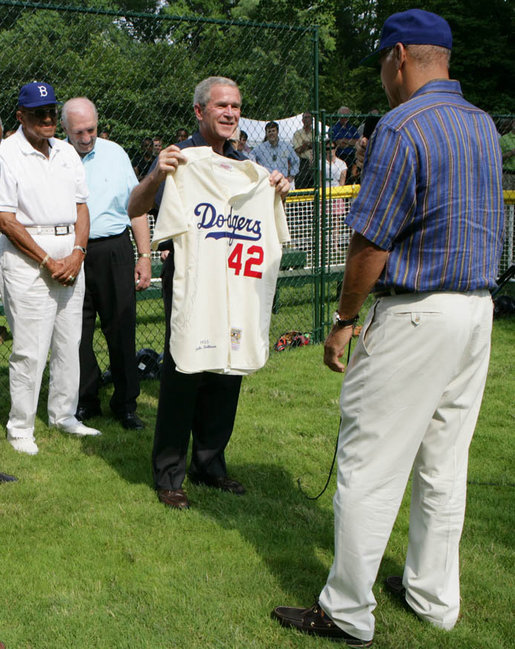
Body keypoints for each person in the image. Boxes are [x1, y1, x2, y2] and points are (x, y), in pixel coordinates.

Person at [272, 9, 504, 647]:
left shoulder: (403, 126)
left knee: (369, 465)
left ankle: (346, 611)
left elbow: (370, 240)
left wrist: (344, 320)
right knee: (443, 464)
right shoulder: (483, 124)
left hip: (416, 312)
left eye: (381, 61)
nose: (382, 74)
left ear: (399, 56)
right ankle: (434, 599)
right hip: (475, 311)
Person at [128, 76, 290, 510]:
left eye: (236, 106)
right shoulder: (180, 159)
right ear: (200, 111)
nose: (231, 113)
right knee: (184, 370)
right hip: (193, 282)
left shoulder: (246, 164)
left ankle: (210, 462)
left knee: (227, 370)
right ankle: (169, 473)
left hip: (237, 285)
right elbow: (135, 207)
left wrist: (276, 190)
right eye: (222, 106)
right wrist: (157, 174)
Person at [0, 82, 101, 456]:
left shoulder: (66, 151)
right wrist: (47, 260)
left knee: (68, 340)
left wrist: (77, 252)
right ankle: (20, 426)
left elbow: (82, 207)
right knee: (29, 346)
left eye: (50, 111)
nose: (47, 118)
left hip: (70, 248)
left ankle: (63, 415)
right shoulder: (6, 153)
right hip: (27, 254)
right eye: (38, 112)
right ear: (20, 116)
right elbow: (5, 219)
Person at [61, 97, 152, 430]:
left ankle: (126, 404)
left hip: (114, 249)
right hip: (71, 251)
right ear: (65, 130)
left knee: (121, 328)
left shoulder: (115, 154)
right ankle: (86, 400)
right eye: (78, 132)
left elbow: (137, 207)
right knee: (76, 333)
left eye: (91, 130)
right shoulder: (56, 156)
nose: (86, 138)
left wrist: (144, 256)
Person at [292, 111, 314, 188]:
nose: (307, 119)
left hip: (315, 161)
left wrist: (306, 144)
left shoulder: (316, 133)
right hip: (302, 162)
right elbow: (298, 150)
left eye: (309, 117)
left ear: (312, 120)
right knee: (301, 184)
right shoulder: (297, 133)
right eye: (305, 117)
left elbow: (320, 147)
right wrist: (311, 144)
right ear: (302, 120)